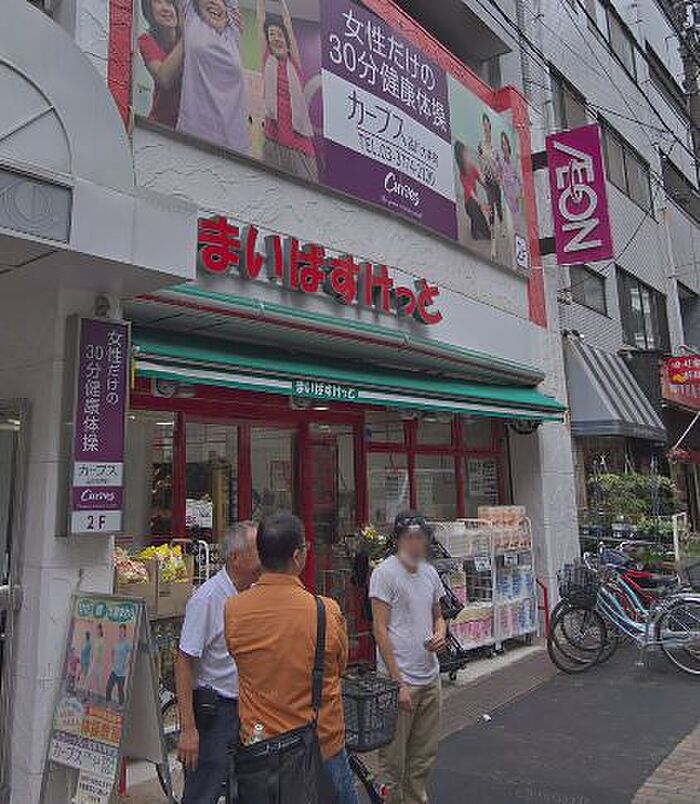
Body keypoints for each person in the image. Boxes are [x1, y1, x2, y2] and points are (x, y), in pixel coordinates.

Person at [225, 512, 358, 804]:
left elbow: (237, 656)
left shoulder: (234, 609)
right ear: (298, 556)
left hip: (260, 749)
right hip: (320, 747)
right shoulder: (326, 611)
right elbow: (339, 667)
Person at [176, 522, 260, 804]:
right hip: (216, 712)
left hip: (249, 708)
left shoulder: (255, 593)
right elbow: (184, 661)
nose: (265, 556)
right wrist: (188, 729)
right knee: (205, 789)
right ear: (236, 557)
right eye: (258, 550)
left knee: (251, 785)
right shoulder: (207, 598)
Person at [370, 511, 447, 804]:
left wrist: (440, 632)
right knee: (392, 763)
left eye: (420, 537)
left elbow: (438, 615)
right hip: (399, 681)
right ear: (398, 540)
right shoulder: (384, 574)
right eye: (409, 537)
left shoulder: (429, 573)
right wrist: (397, 682)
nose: (415, 543)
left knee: (422, 758)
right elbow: (380, 629)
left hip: (429, 677)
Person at [177, 0, 250, 155]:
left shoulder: (233, 31)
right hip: (194, 137)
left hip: (234, 143)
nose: (214, 2)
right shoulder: (192, 18)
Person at [258, 0, 318, 181]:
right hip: (274, 137)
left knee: (307, 189)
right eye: (272, 34)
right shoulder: (267, 58)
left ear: (286, 42)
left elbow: (289, 29)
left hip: (299, 140)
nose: (276, 38)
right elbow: (260, 21)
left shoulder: (295, 65)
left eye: (279, 35)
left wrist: (282, 4)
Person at [138, 0, 183, 127]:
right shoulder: (146, 41)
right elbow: (164, 79)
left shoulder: (195, 44)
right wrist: (186, 36)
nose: (166, 9)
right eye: (158, 2)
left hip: (191, 126)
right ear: (149, 11)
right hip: (161, 126)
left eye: (169, 3)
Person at [478, 113, 504, 259]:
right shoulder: (481, 145)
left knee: (498, 205)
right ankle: (493, 242)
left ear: (490, 127)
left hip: (495, 181)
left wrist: (500, 178)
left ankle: (502, 226)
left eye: (488, 124)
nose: (486, 127)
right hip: (487, 181)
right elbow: (480, 160)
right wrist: (482, 176)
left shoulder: (495, 149)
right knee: (491, 209)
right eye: (484, 124)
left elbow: (499, 167)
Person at [454, 140, 491, 242]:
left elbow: (481, 181)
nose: (468, 157)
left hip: (474, 201)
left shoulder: (473, 168)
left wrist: (488, 189)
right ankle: (484, 235)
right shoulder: (462, 175)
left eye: (467, 153)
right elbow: (471, 193)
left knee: (476, 218)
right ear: (461, 158)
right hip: (469, 203)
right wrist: (481, 204)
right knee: (479, 218)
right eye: (465, 155)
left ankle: (475, 234)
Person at [500, 130, 522, 234]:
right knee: (508, 216)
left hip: (515, 193)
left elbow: (519, 179)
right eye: (502, 144)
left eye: (504, 143)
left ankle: (517, 233)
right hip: (506, 193)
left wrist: (519, 192)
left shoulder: (514, 161)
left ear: (508, 145)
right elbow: (499, 176)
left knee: (516, 216)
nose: (503, 146)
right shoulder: (501, 161)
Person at [106, 624, 131, 706]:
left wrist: (126, 665)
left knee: (120, 690)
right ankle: (108, 703)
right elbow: (112, 652)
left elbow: (130, 654)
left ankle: (121, 705)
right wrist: (113, 661)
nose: (121, 633)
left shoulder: (127, 643)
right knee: (109, 687)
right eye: (120, 631)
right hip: (114, 670)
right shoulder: (116, 643)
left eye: (122, 631)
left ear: (125, 632)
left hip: (122, 672)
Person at [87, 623, 105, 699]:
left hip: (98, 663)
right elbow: (92, 650)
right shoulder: (95, 640)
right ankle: (87, 695)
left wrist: (98, 659)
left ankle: (100, 695)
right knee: (88, 677)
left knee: (98, 680)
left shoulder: (102, 641)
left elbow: (102, 652)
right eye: (96, 629)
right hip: (93, 661)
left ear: (100, 630)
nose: (97, 631)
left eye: (98, 629)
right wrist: (91, 658)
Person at [79, 630, 92, 696]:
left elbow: (85, 652)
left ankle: (86, 692)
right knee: (80, 675)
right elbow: (82, 653)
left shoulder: (88, 644)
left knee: (85, 677)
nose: (83, 636)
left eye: (84, 635)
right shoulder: (85, 643)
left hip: (85, 662)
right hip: (83, 661)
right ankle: (85, 691)